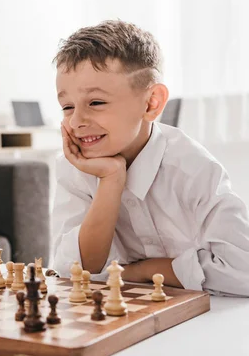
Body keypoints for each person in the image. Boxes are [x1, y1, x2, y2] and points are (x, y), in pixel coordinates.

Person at [51, 20, 249, 296]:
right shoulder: (73, 167)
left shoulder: (193, 168)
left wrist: (144, 270)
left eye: (96, 103)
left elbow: (243, 271)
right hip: (122, 317)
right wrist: (111, 179)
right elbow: (73, 270)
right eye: (67, 107)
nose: (76, 121)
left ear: (151, 103)